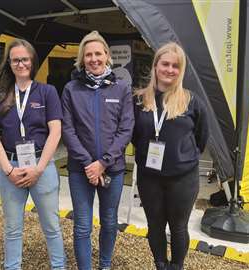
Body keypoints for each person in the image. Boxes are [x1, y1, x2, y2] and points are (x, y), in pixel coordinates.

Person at [0, 38, 66, 270]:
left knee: (51, 225)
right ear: (9, 64)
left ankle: (59, 267)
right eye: (15, 60)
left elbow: (56, 131)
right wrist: (8, 170)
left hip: (42, 166)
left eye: (25, 59)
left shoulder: (47, 92)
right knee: (12, 228)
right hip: (10, 167)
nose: (20, 64)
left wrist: (39, 169)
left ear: (33, 62)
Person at [132, 42, 209, 270]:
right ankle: (160, 264)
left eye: (175, 66)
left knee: (178, 227)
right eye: (165, 64)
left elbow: (202, 136)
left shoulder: (191, 101)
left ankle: (176, 266)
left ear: (181, 70)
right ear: (155, 66)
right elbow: (135, 136)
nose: (170, 70)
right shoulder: (138, 100)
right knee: (155, 225)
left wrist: (183, 158)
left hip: (182, 178)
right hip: (150, 178)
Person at [61, 31, 134, 270]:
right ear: (82, 59)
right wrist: (87, 163)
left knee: (110, 222)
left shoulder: (121, 88)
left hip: (112, 168)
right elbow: (68, 129)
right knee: (82, 224)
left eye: (98, 53)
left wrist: (103, 162)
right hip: (79, 169)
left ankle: (104, 265)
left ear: (107, 56)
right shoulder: (71, 89)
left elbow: (126, 128)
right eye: (88, 54)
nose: (93, 59)